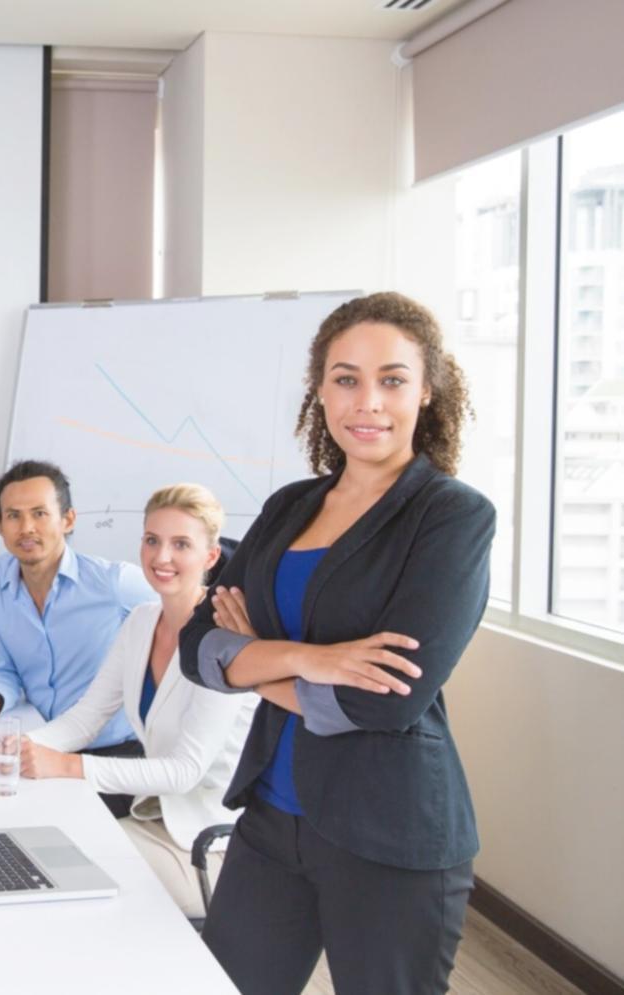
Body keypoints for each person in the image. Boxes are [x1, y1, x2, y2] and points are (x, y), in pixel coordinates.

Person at [180, 292, 494, 994]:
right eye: (345, 378)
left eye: (391, 379)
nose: (367, 401)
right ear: (319, 390)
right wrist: (304, 659)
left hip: (389, 832)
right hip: (271, 820)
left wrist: (250, 660)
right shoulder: (288, 505)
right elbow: (197, 645)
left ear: (427, 391)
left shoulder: (450, 515)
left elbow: (386, 702)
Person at [17, 483, 253, 917]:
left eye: (181, 544)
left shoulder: (225, 640)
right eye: (152, 540)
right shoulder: (144, 620)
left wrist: (67, 766)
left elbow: (185, 772)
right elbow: (87, 717)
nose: (161, 557)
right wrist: (22, 746)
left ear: (211, 557)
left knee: (65, 883)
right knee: (42, 851)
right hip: (155, 819)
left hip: (210, 845)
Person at [0, 460, 158, 812]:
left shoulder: (113, 584)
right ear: (0, 525)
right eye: (13, 516)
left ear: (67, 520)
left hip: (112, 755)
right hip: (40, 740)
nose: (26, 528)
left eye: (39, 513)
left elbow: (187, 610)